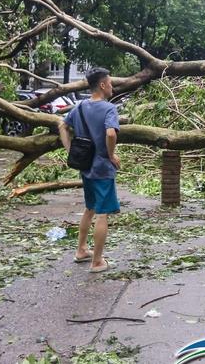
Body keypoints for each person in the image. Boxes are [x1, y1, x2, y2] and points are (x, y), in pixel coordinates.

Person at [58, 67, 121, 273]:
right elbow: (111, 134)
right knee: (102, 214)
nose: (112, 86)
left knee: (90, 208)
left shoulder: (80, 106)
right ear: (102, 85)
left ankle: (81, 250)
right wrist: (111, 156)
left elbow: (62, 126)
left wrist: (71, 152)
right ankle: (96, 262)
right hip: (102, 168)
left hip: (85, 167)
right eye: (110, 83)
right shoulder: (109, 109)